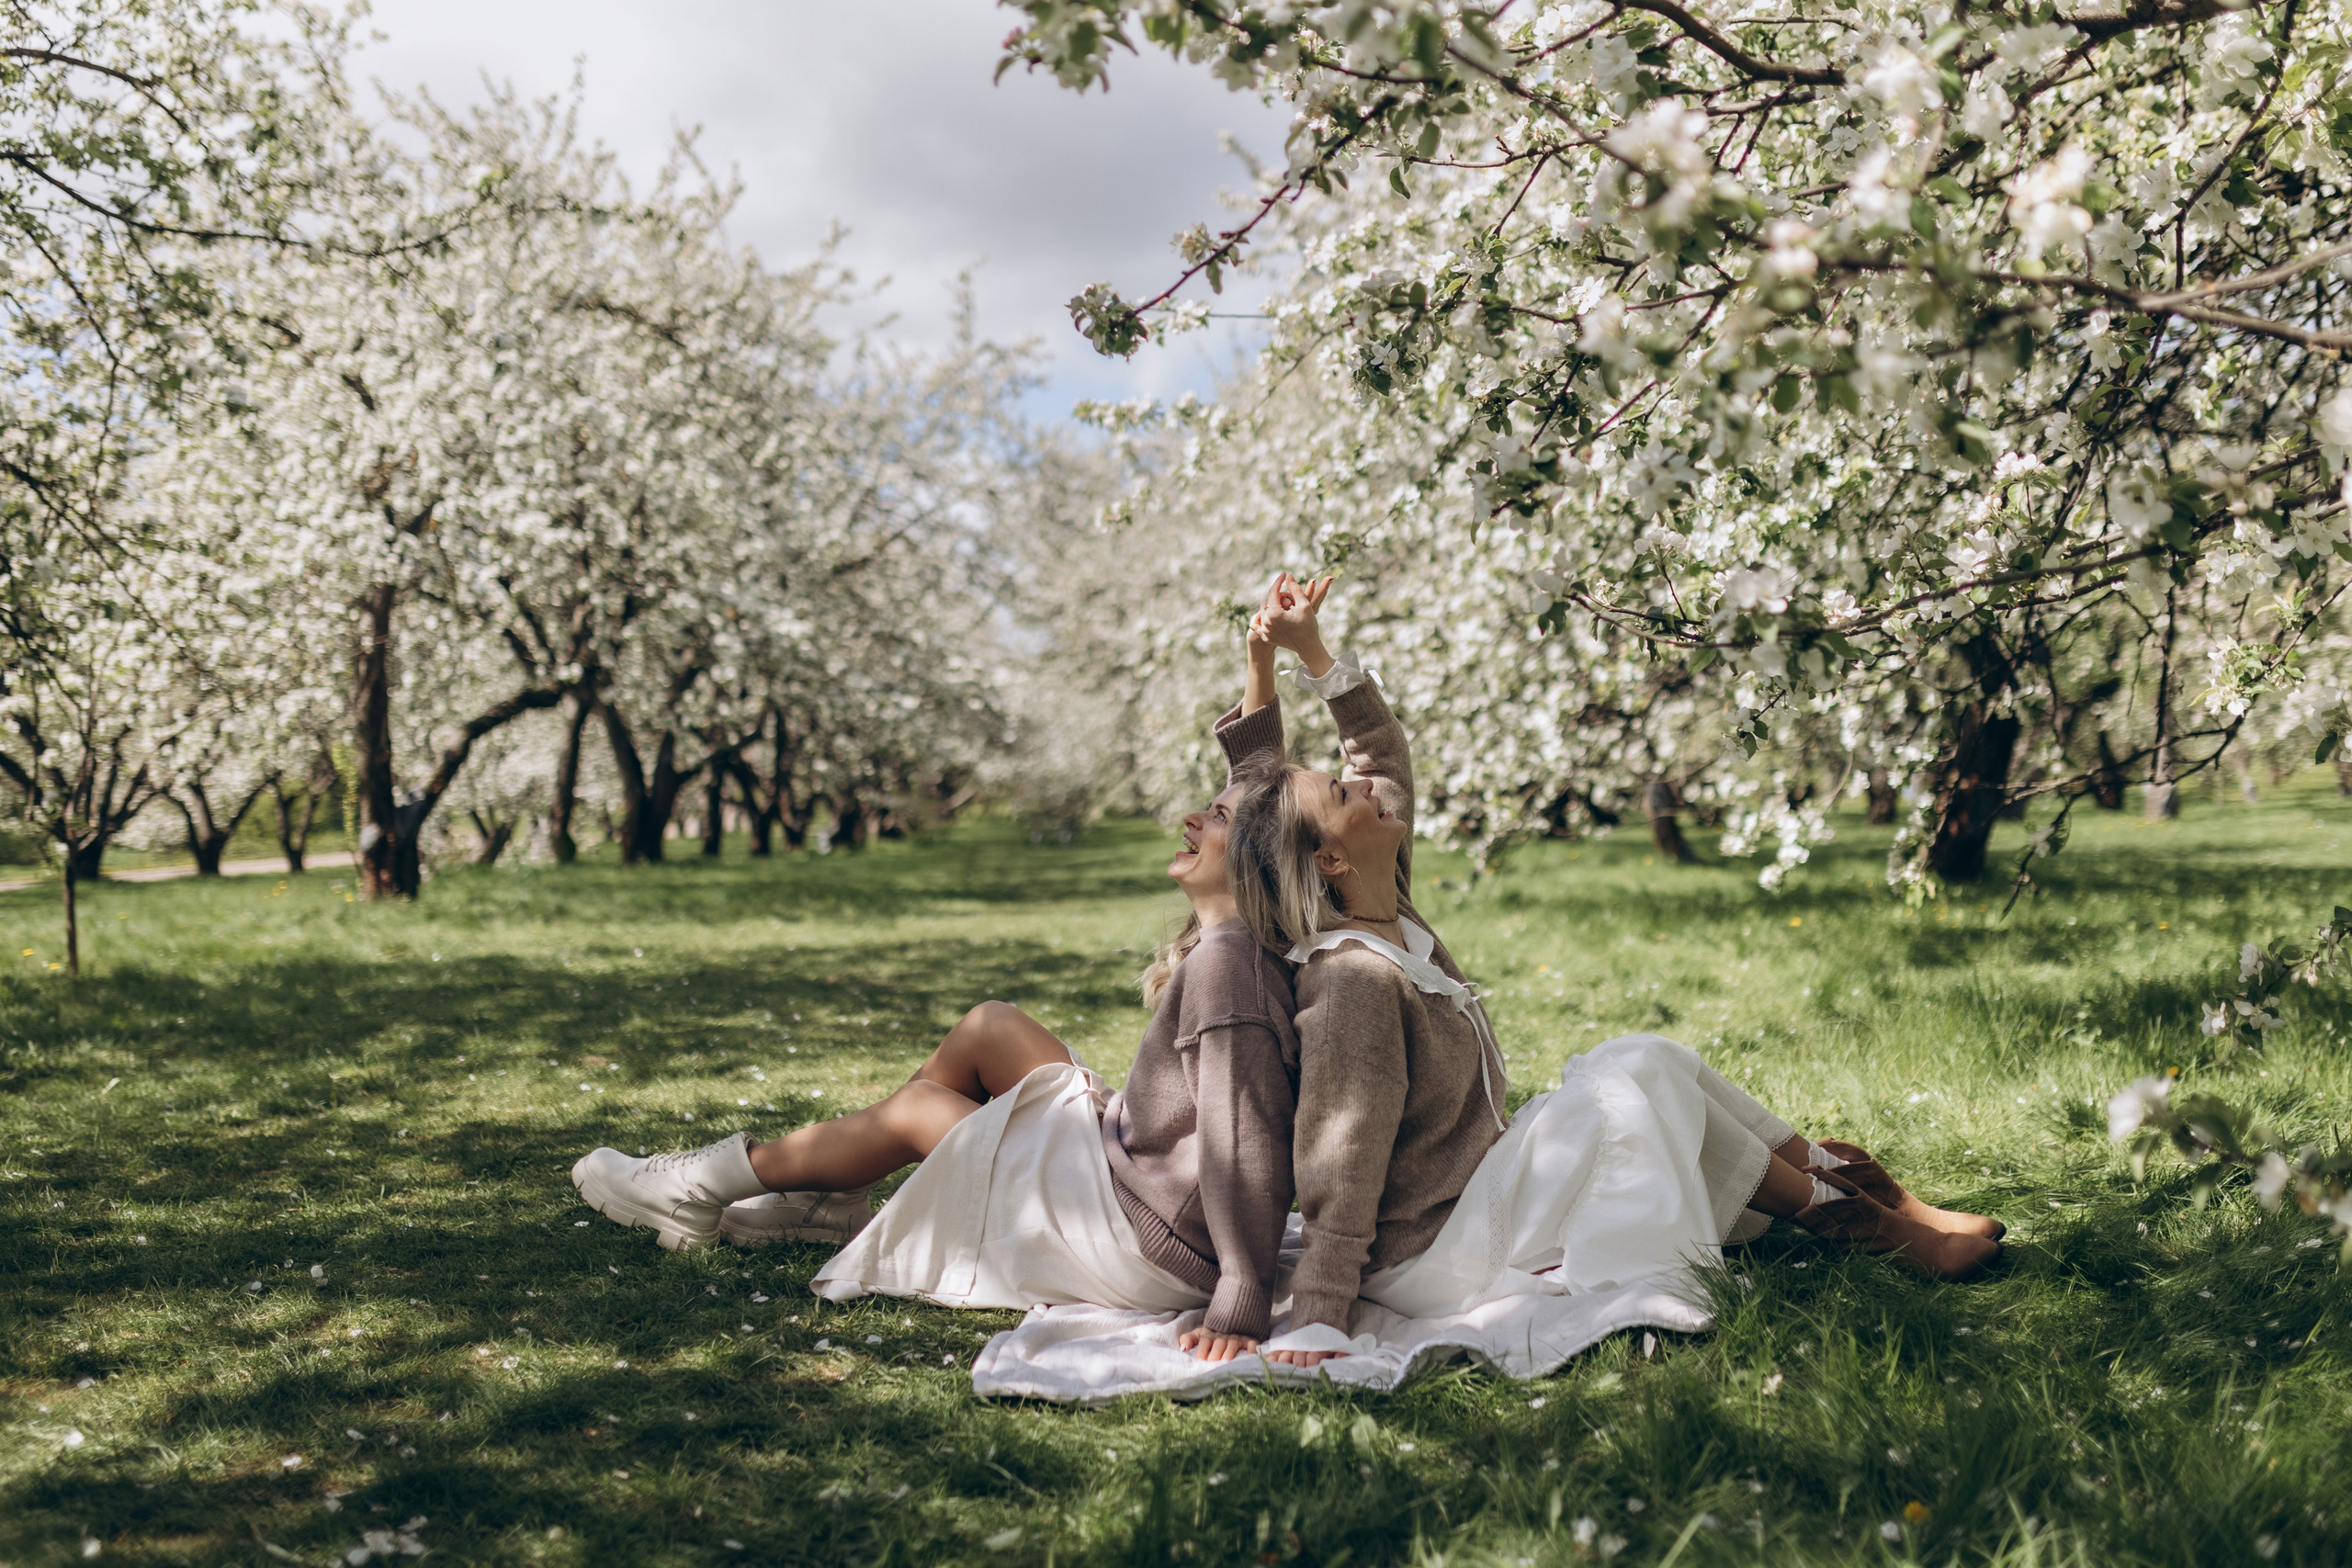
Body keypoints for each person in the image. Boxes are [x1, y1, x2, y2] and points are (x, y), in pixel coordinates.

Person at [1221, 572, 2002, 1368]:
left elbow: (1370, 758)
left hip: (1484, 1188)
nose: (1365, 781)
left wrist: (1301, 654)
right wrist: (1320, 1312)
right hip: (1435, 1250)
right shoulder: (1351, 981)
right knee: (1637, 1079)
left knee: (1646, 1055)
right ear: (1330, 857)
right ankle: (1867, 1224)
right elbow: (1341, 1157)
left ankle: (1872, 1198)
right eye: (1341, 790)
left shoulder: (1390, 907)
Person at [570, 752, 1302, 1360]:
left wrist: (1240, 1296)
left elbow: (1245, 1143)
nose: (1193, 818)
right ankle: (829, 1195)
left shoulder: (1228, 969)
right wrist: (1263, 664)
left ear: (1256, 860)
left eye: (1219, 817)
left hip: (1145, 1235)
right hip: (1133, 1168)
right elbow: (1267, 791)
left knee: (919, 1110)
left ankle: (698, 1186)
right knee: (991, 1026)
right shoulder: (1236, 943)